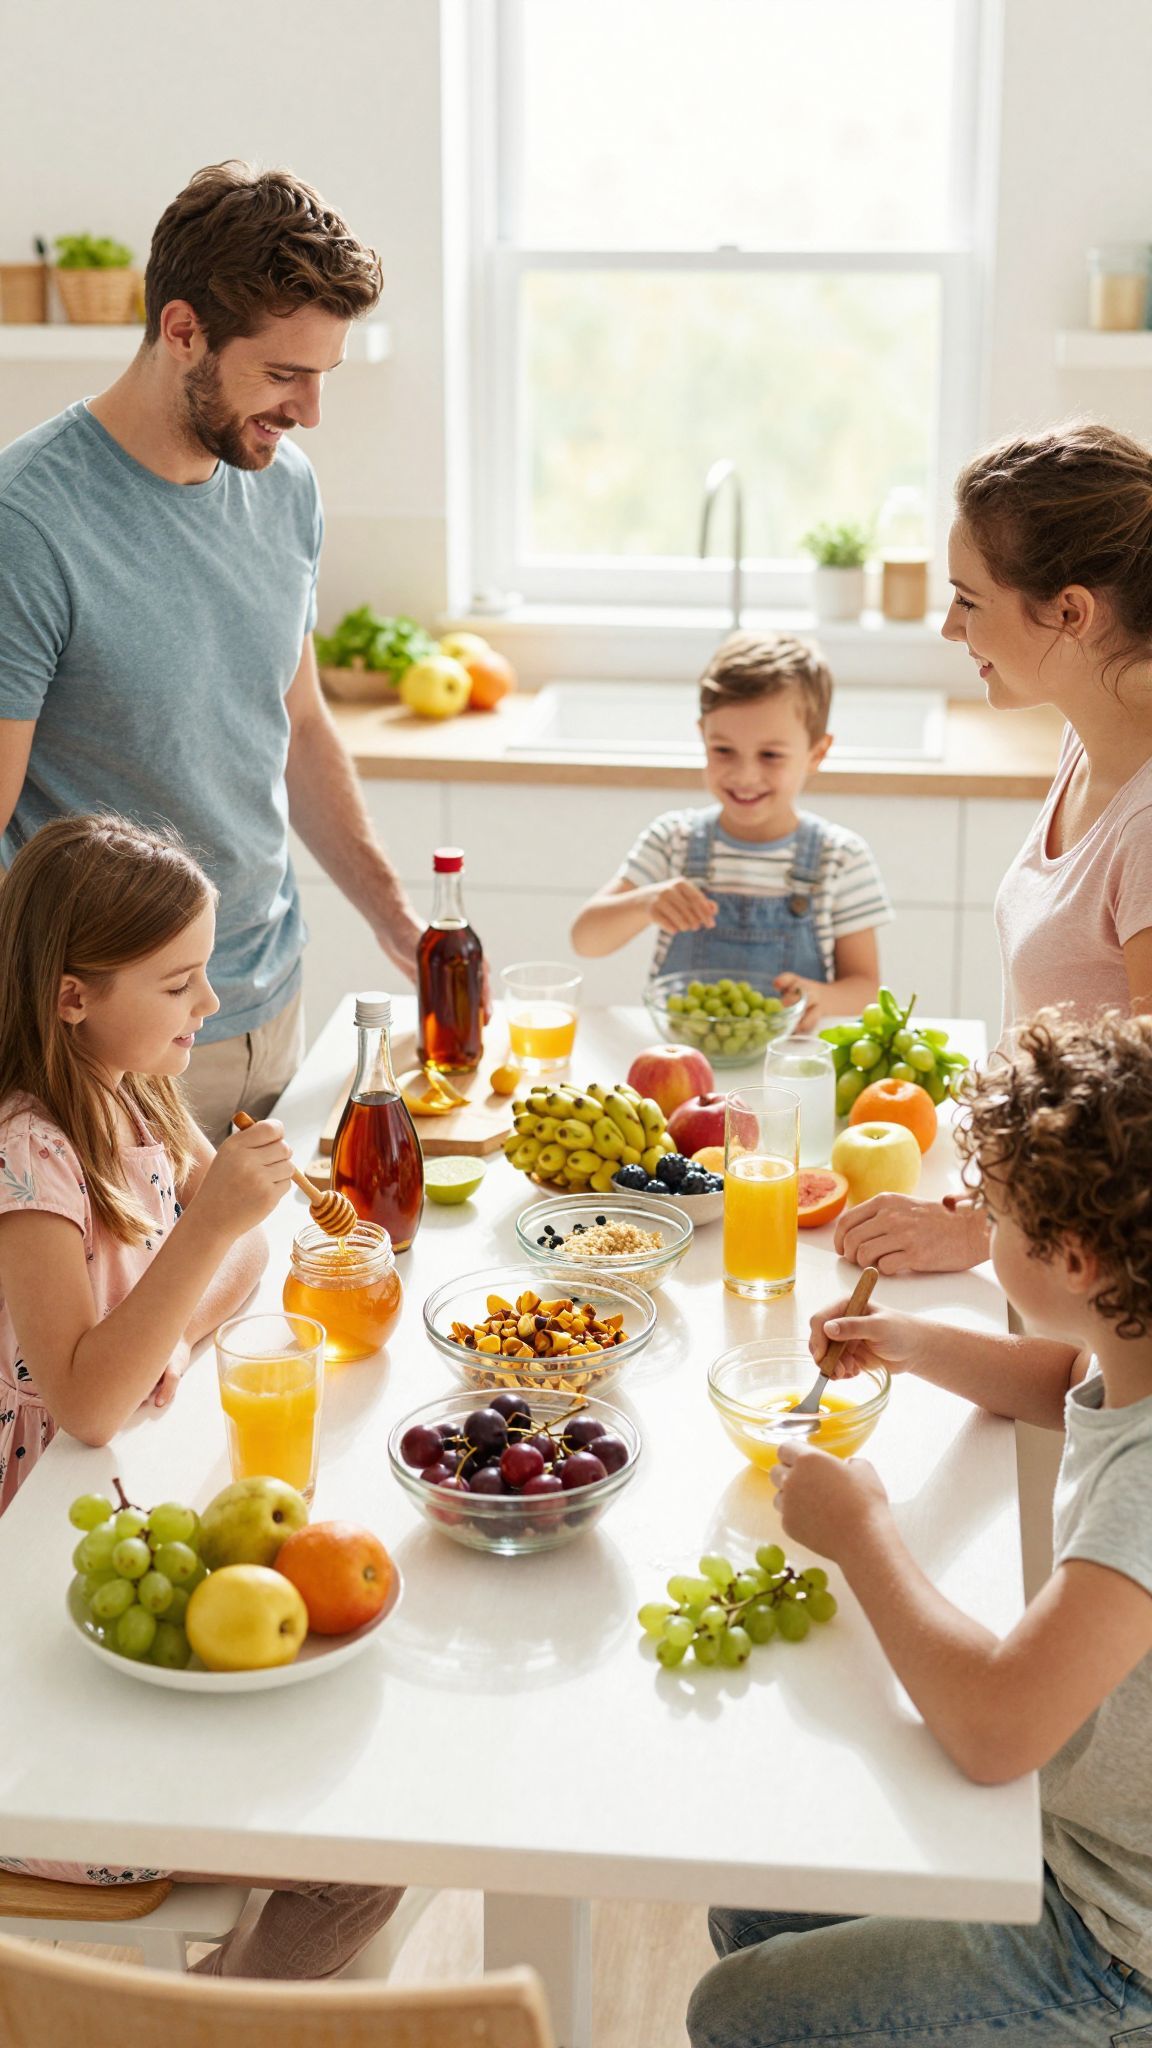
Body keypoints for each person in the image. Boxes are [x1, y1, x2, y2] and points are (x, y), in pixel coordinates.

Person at [688, 1008, 1152, 2048]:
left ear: (1075, 1260)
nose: (977, 1224)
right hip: (1076, 1826)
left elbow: (996, 1731)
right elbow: (1062, 1378)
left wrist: (864, 1532)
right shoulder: (1133, 1343)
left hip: (1118, 1932)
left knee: (736, 2014)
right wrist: (912, 1341)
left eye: (996, 1215)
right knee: (750, 1905)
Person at [0, 813, 403, 1975]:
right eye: (178, 983)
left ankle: (218, 2003)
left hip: (115, 1518)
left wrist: (172, 1329)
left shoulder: (130, 1095)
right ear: (73, 995)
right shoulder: (29, 1154)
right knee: (357, 1839)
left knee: (362, 1768)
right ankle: (208, 2012)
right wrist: (209, 1231)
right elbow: (87, 1400)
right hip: (40, 1626)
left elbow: (237, 1267)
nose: (209, 1005)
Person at [0, 160, 424, 1147]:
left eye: (322, 375)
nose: (310, 410)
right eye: (282, 375)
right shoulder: (28, 521)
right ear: (182, 329)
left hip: (271, 1003)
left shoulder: (285, 485)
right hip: (113, 1057)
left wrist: (397, 922)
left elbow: (297, 724)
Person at [837, 422, 1152, 1276]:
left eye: (969, 600)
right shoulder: (1091, 737)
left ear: (1071, 612)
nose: (949, 627)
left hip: (1091, 1279)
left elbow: (1144, 1131)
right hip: (1031, 1232)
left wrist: (978, 1234)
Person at [570, 632, 891, 1030]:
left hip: (789, 1061)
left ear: (816, 753)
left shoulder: (840, 858)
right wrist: (644, 903)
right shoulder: (673, 840)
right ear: (702, 735)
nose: (744, 775)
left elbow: (865, 988)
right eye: (723, 750)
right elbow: (586, 939)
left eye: (770, 755)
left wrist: (820, 998)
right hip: (683, 1057)